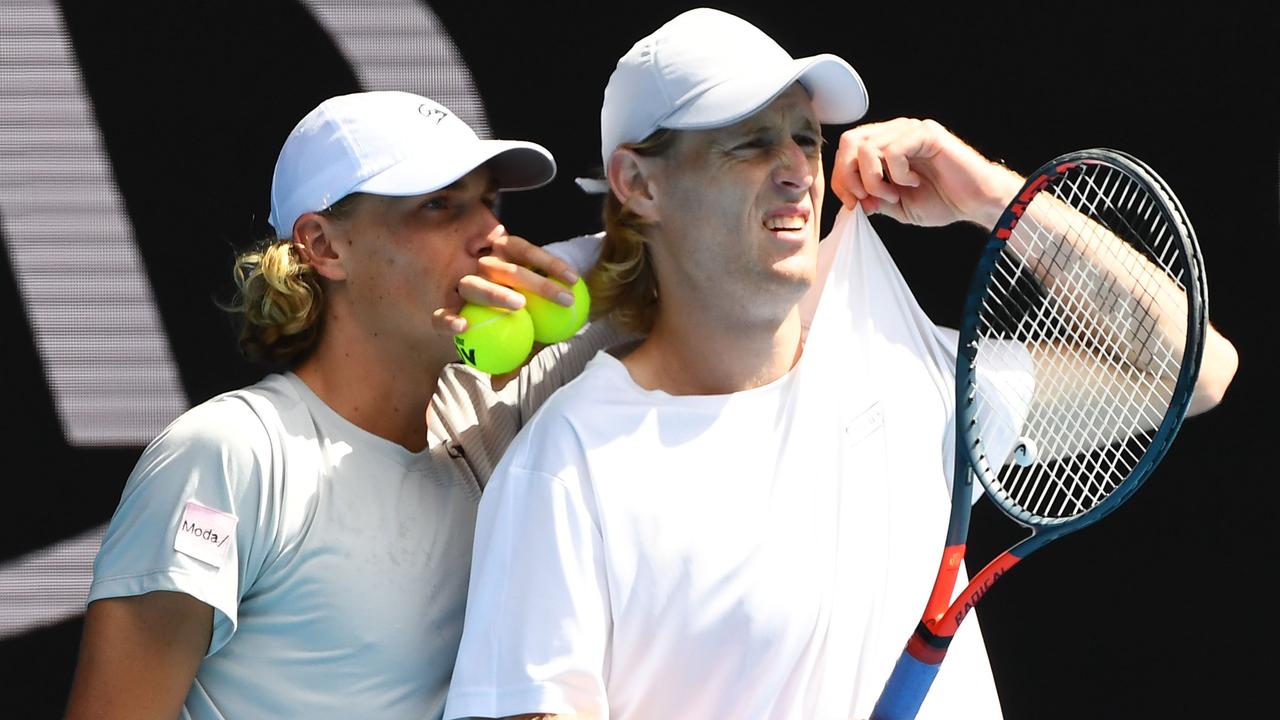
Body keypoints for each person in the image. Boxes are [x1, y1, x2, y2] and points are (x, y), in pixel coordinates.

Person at [442, 8, 1239, 720]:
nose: (796, 166)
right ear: (638, 184)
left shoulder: (919, 378)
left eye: (806, 137)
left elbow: (1197, 371)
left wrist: (994, 199)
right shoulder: (566, 467)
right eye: (749, 141)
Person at [63, 90, 625, 720]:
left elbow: (681, 258)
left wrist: (561, 274)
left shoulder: (494, 418)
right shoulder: (231, 453)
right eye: (440, 206)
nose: (492, 234)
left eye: (488, 202)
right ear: (324, 246)